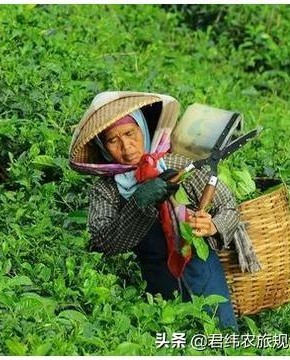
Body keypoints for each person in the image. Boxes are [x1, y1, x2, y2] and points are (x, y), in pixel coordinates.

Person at [83, 104, 240, 331]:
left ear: (144, 130)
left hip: (204, 274)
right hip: (157, 286)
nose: (126, 147)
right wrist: (138, 203)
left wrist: (213, 225)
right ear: (103, 147)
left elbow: (228, 206)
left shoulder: (176, 165)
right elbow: (103, 242)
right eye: (113, 140)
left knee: (223, 339)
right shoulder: (107, 190)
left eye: (130, 133)